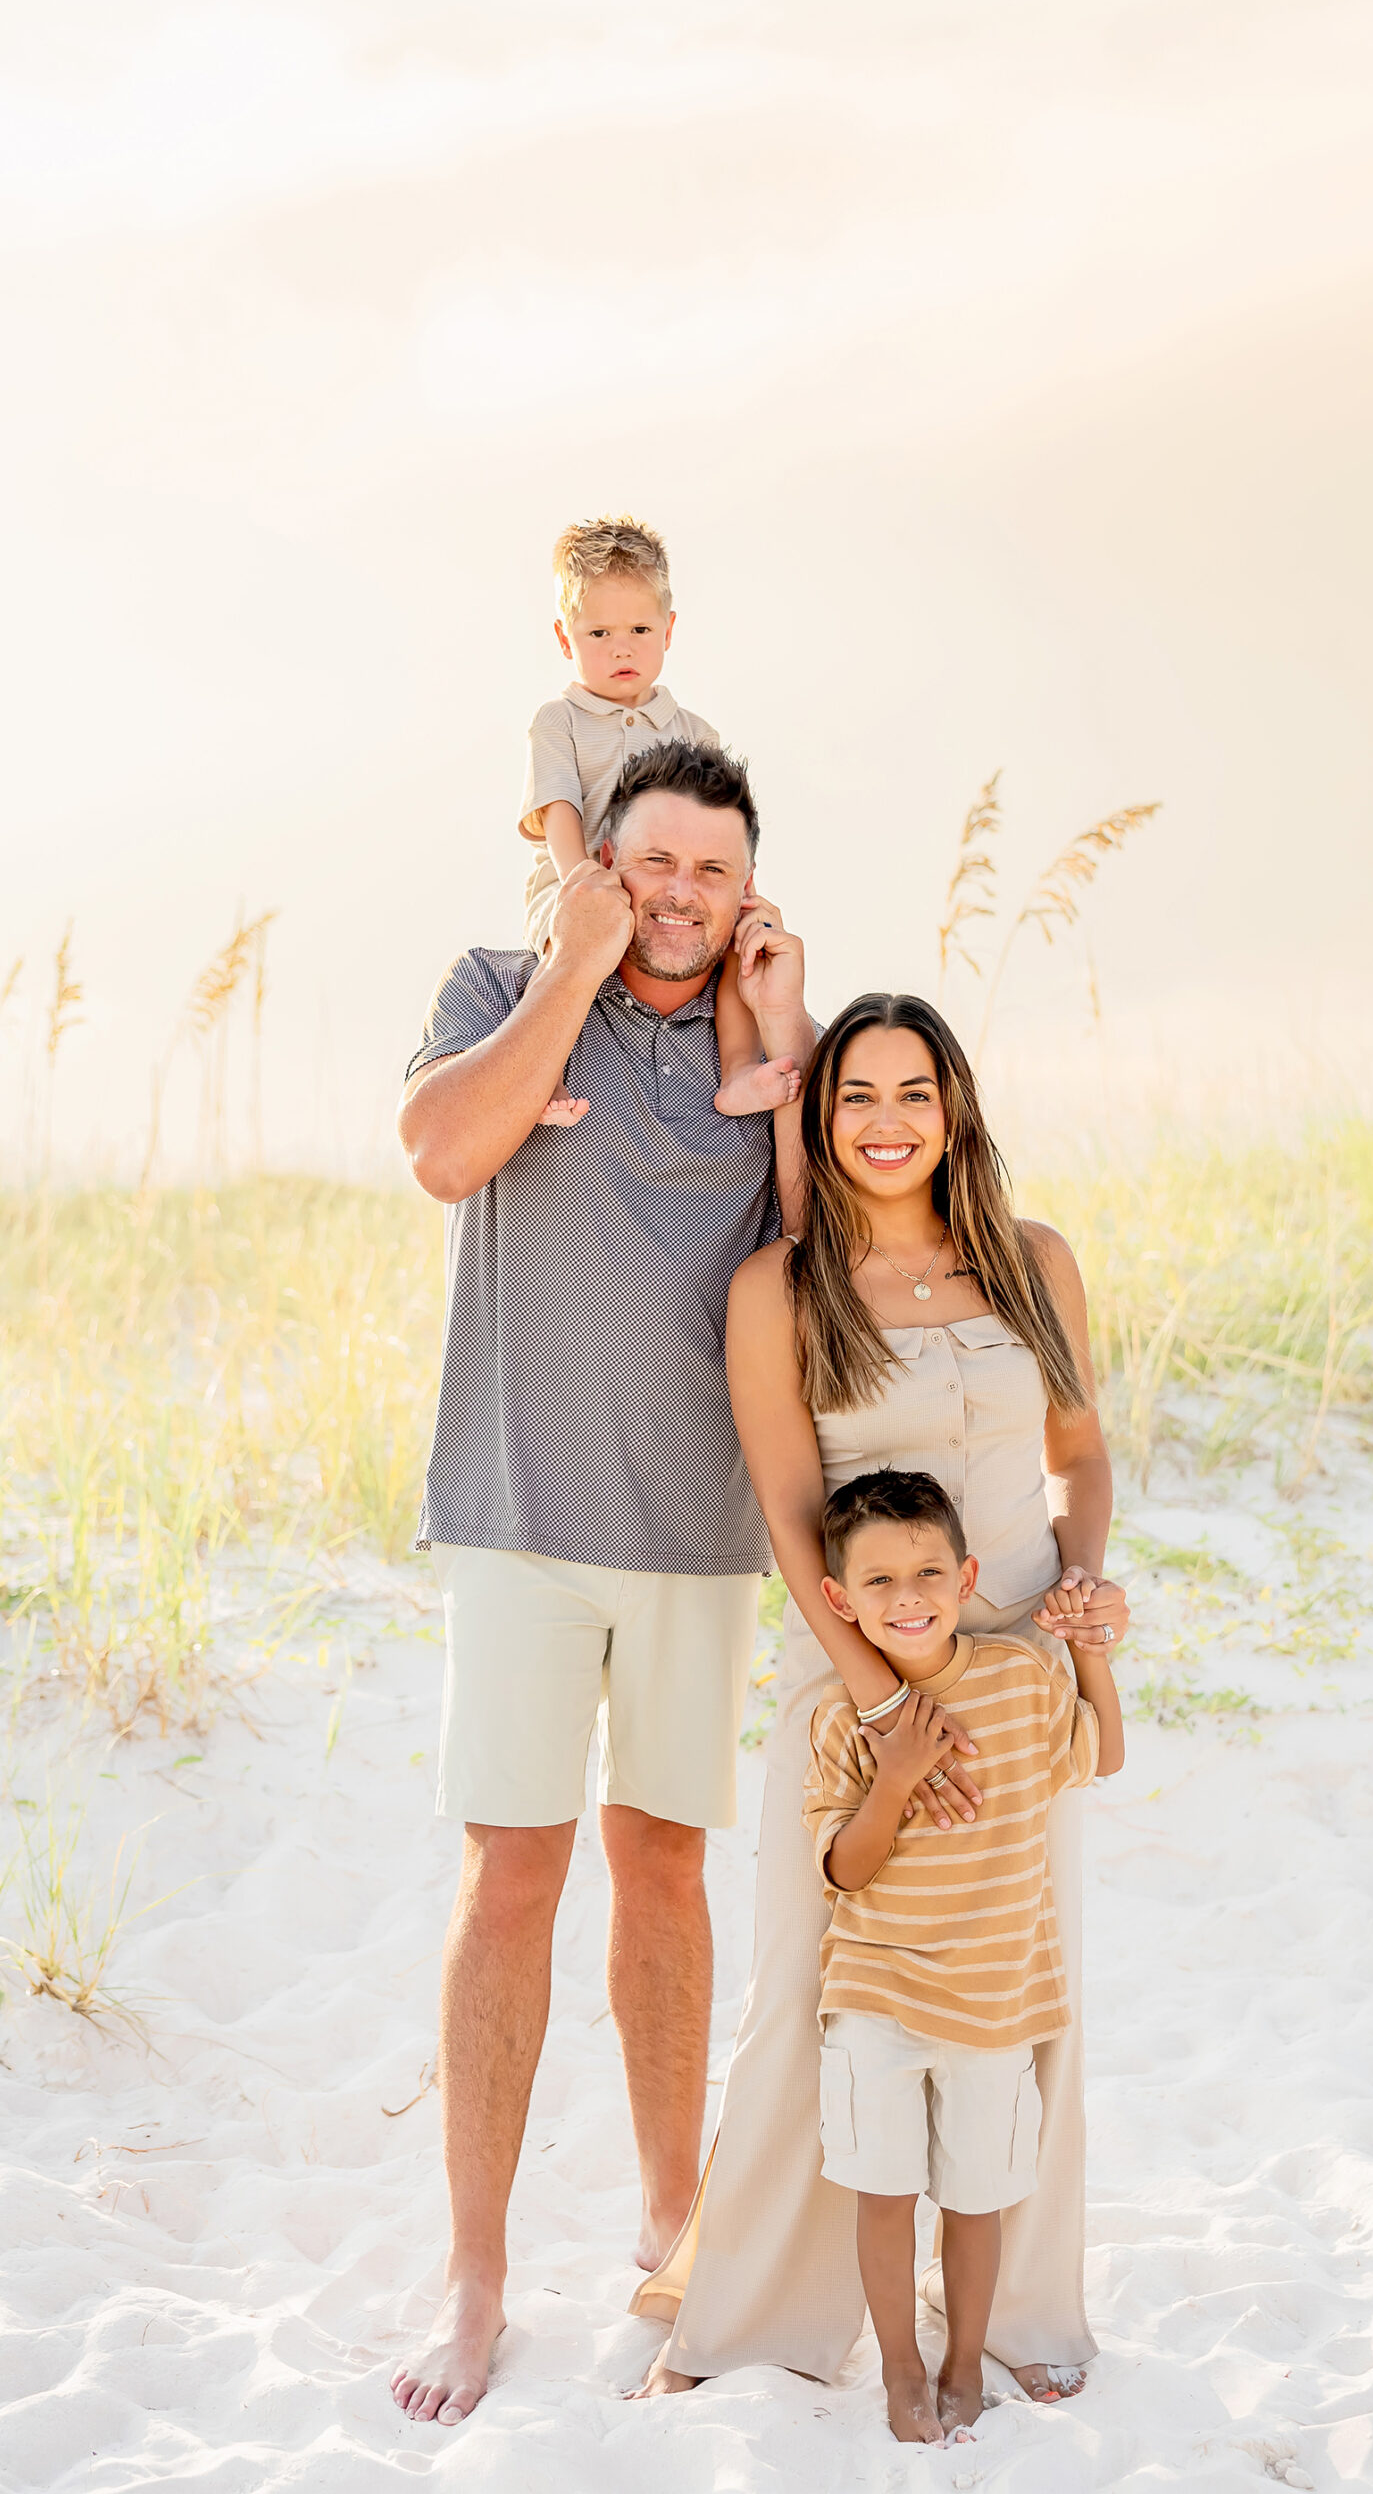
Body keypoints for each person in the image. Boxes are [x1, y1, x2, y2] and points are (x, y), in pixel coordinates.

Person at [388, 737, 818, 2425]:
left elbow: (811, 1262)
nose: (679, 896)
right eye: (653, 862)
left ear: (746, 890)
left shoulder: (757, 1040)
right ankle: (475, 2275)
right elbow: (438, 1151)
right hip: (516, 1513)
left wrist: (779, 1042)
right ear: (600, 861)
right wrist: (569, 969)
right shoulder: (502, 979)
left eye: (713, 871)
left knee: (663, 1871)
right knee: (511, 1875)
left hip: (695, 1530)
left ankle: (665, 2221)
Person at [636, 991, 1132, 2405]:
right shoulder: (776, 1289)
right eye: (856, 1095)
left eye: (914, 1093)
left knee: (1028, 1987)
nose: (887, 1123)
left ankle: (1020, 2315)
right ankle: (755, 2323)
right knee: (808, 1986)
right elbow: (790, 1510)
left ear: (955, 1109)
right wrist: (878, 1700)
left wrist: (1080, 1594)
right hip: (861, 1675)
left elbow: (1080, 1460)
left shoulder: (1034, 1260)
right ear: (820, 1114)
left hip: (1025, 1674)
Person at [805, 1467, 1125, 2443]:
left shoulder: (1022, 1683)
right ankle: (900, 2365)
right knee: (884, 2194)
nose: (907, 1599)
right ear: (838, 1599)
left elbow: (1099, 1755)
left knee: (976, 2199)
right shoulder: (843, 1719)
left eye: (928, 1573)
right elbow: (844, 1869)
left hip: (995, 1999)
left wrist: (1088, 1656)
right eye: (878, 1582)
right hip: (876, 1995)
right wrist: (895, 1775)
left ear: (966, 1575)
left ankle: (959, 2356)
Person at [519, 516, 796, 1121]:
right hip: (581, 879)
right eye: (598, 632)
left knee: (732, 941)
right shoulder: (558, 721)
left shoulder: (694, 731)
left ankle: (739, 1068)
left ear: (669, 631)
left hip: (675, 886)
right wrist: (582, 882)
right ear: (565, 639)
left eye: (640, 629)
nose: (622, 647)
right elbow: (558, 806)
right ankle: (544, 1077)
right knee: (565, 958)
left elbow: (722, 821)